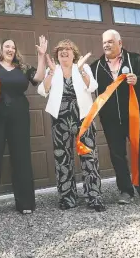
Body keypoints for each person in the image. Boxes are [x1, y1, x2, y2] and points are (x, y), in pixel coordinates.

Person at [0, 36, 47, 214]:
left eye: (13, 47)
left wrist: (41, 55)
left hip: (18, 116)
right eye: (7, 46)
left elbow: (38, 77)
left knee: (21, 157)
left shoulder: (22, 67)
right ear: (0, 49)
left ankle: (25, 203)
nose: (10, 50)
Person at [90, 29, 140, 206]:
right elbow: (86, 85)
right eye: (104, 42)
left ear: (120, 43)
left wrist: (139, 80)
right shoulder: (96, 67)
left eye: (110, 42)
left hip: (135, 115)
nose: (106, 45)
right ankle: (125, 190)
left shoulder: (135, 60)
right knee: (117, 154)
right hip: (110, 119)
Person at [38, 39, 106, 212]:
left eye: (68, 49)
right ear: (57, 55)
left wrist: (82, 69)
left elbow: (92, 86)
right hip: (60, 121)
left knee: (89, 157)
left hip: (83, 117)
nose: (64, 51)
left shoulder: (81, 67)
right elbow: (42, 91)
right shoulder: (53, 69)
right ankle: (67, 198)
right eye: (60, 49)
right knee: (63, 159)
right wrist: (51, 73)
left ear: (74, 53)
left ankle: (94, 197)